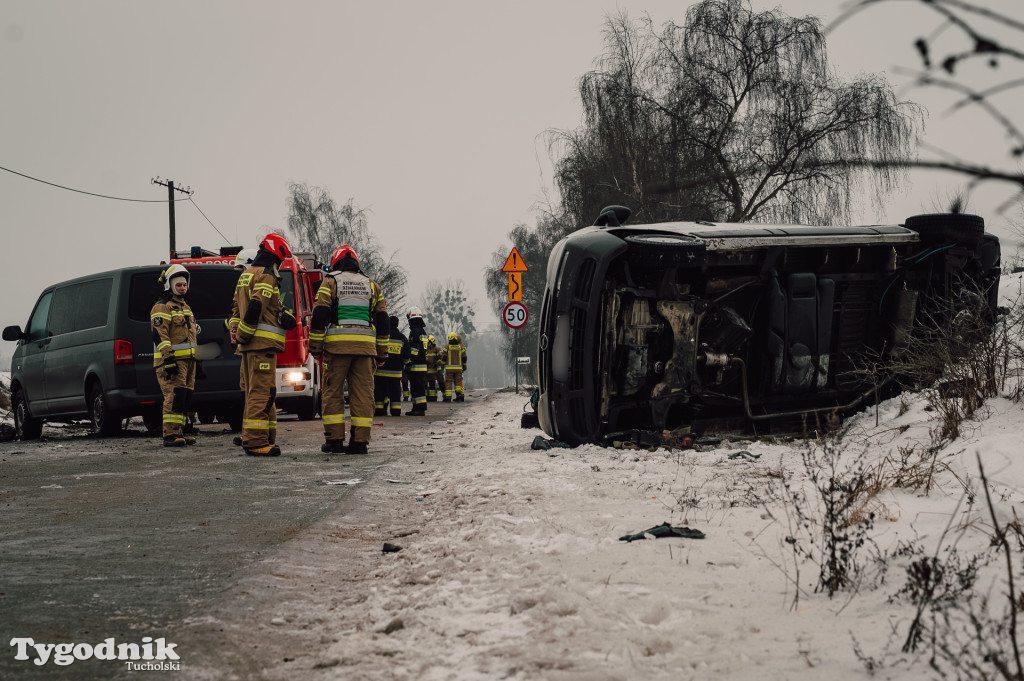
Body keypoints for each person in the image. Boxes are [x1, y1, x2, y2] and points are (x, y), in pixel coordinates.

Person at [309, 244, 389, 455]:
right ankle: (360, 443)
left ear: (335, 263)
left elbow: (319, 316)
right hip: (365, 350)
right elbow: (383, 321)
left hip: (337, 349)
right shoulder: (373, 286)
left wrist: (315, 348)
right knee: (363, 395)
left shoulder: (330, 282)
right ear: (356, 264)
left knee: (332, 393)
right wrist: (382, 353)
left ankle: (334, 441)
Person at [231, 234, 297, 457]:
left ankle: (264, 439)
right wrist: (244, 335)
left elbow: (238, 310)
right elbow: (256, 306)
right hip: (261, 346)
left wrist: (282, 316)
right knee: (263, 393)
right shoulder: (267, 276)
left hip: (251, 348)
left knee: (256, 393)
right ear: (276, 256)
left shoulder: (246, 275)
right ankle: (255, 442)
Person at [151, 264, 198, 447]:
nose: (182, 288)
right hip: (172, 361)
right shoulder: (162, 307)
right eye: (178, 285)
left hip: (188, 361)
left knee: (184, 398)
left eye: (184, 285)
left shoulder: (185, 307)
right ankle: (170, 435)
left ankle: (179, 432)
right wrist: (168, 358)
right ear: (170, 285)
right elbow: (159, 334)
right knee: (174, 397)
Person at [374, 315, 408, 417]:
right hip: (396, 373)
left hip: (380, 371)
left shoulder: (381, 336)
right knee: (395, 392)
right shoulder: (402, 338)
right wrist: (405, 365)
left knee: (379, 391)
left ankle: (380, 410)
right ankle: (395, 411)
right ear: (397, 324)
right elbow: (406, 356)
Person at [405, 307, 429, 415]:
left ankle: (419, 409)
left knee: (417, 388)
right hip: (422, 364)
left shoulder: (415, 331)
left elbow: (414, 349)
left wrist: (408, 360)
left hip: (416, 365)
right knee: (418, 387)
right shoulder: (422, 331)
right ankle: (417, 408)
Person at [440, 331, 468, 402]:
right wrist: (464, 366)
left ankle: (448, 397)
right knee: (458, 382)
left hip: (449, 369)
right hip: (458, 368)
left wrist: (442, 366)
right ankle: (459, 396)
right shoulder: (460, 347)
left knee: (448, 382)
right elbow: (464, 358)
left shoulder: (447, 347)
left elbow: (444, 357)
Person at [425, 335, 440, 402]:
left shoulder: (436, 349)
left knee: (432, 384)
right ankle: (426, 397)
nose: (428, 343)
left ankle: (433, 397)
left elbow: (441, 358)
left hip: (433, 371)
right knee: (424, 384)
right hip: (425, 370)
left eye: (429, 342)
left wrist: (437, 363)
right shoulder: (424, 349)